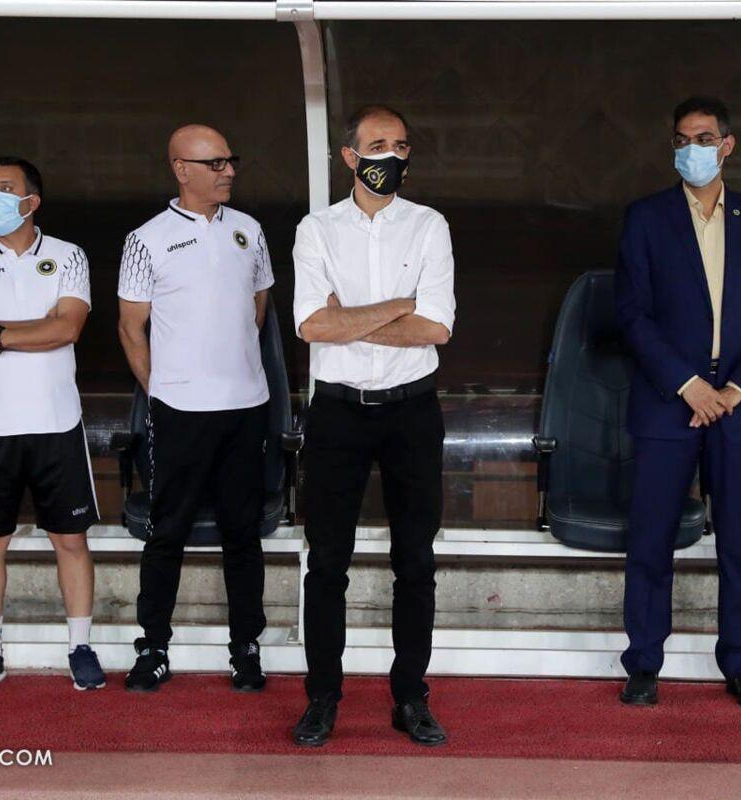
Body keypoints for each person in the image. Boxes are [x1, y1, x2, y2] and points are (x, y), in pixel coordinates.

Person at [614, 97, 741, 709]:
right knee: (650, 540)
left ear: (727, 145)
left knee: (740, 542)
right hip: (670, 401)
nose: (692, 149)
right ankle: (643, 663)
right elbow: (632, 315)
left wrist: (734, 390)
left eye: (704, 138)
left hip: (738, 404)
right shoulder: (646, 218)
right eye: (682, 139)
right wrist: (687, 384)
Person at [290, 105, 456, 746]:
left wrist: (351, 317)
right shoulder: (317, 229)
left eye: (401, 146)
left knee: (415, 560)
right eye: (378, 144)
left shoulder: (429, 226)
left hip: (412, 410)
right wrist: (398, 307)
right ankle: (322, 699)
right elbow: (312, 324)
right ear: (350, 157)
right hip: (338, 411)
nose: (391, 155)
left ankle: (411, 697)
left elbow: (436, 327)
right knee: (327, 562)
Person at [117, 124, 273, 693]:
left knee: (243, 535)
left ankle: (246, 649)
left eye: (231, 161)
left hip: (247, 408)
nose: (228, 171)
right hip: (180, 413)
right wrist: (164, 390)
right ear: (181, 169)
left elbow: (257, 308)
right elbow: (130, 327)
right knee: (168, 532)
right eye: (215, 163)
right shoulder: (146, 239)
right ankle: (153, 647)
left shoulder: (250, 230)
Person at [0, 156, 105, 691]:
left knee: (71, 540)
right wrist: (36, 328)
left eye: (4, 188)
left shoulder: (69, 255)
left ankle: (80, 646)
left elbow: (69, 328)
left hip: (57, 422)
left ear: (30, 202)